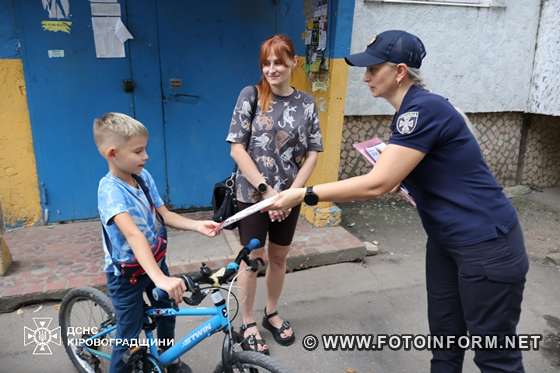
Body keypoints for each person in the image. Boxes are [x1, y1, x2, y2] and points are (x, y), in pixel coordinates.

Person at [267, 30, 529, 372]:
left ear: (400, 71)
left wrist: (306, 194)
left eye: (374, 69)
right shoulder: (412, 111)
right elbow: (417, 176)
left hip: (486, 245)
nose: (366, 77)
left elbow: (378, 184)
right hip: (446, 242)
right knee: (445, 344)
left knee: (496, 358)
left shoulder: (423, 109)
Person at [94, 112, 220, 373]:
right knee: (128, 334)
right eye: (138, 151)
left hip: (154, 262)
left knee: (167, 309)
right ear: (112, 153)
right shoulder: (110, 190)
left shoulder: (142, 177)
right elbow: (133, 235)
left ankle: (167, 354)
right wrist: (160, 279)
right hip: (126, 275)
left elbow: (165, 215)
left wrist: (198, 225)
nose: (146, 156)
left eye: (146, 149)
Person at [226, 34, 323, 354]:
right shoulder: (251, 95)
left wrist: (293, 194)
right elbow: (237, 149)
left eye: (279, 62)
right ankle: (248, 321)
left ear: (293, 62)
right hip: (254, 195)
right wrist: (269, 193)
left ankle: (271, 312)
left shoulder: (306, 103)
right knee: (253, 259)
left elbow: (312, 152)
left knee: (279, 257)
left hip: (289, 197)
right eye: (266, 63)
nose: (271, 69)